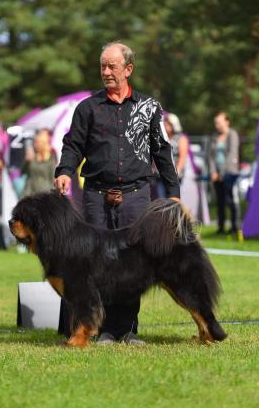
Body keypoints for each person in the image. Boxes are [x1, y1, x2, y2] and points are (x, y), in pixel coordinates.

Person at [54, 41, 180, 345]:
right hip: (96, 196)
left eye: (112, 66)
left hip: (137, 196)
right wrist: (64, 171)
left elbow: (162, 151)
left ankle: (126, 329)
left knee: (133, 264)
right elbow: (73, 145)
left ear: (128, 69)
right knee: (96, 264)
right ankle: (103, 329)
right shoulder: (87, 108)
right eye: (102, 66)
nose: (106, 71)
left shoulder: (149, 108)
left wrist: (173, 192)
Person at [209, 112, 240, 235]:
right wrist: (213, 172)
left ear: (227, 122)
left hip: (230, 173)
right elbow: (210, 156)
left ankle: (234, 226)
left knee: (230, 200)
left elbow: (232, 153)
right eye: (215, 123)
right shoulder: (214, 136)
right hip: (216, 174)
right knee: (220, 201)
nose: (217, 125)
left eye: (219, 122)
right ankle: (221, 227)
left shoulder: (232, 134)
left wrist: (222, 172)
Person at [22, 129, 57, 196]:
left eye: (38, 142)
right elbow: (22, 172)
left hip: (45, 192)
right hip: (29, 192)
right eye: (35, 142)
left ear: (43, 143)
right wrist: (27, 161)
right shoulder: (32, 156)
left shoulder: (51, 158)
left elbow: (52, 176)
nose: (35, 144)